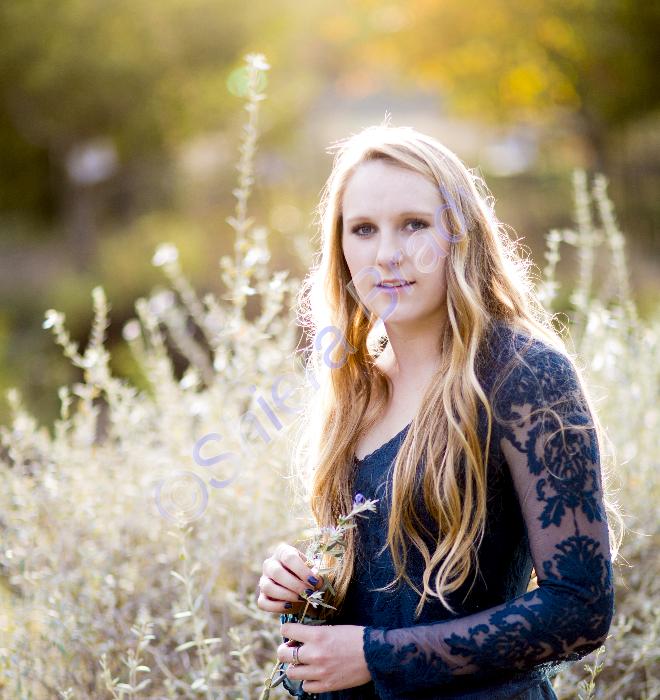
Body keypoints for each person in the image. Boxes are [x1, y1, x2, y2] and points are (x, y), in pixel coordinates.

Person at [256, 121, 624, 699]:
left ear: (459, 234)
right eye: (363, 229)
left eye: (414, 224)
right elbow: (381, 598)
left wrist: (376, 656)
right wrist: (306, 590)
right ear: (341, 249)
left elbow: (580, 608)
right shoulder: (354, 390)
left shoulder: (524, 376)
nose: (387, 254)